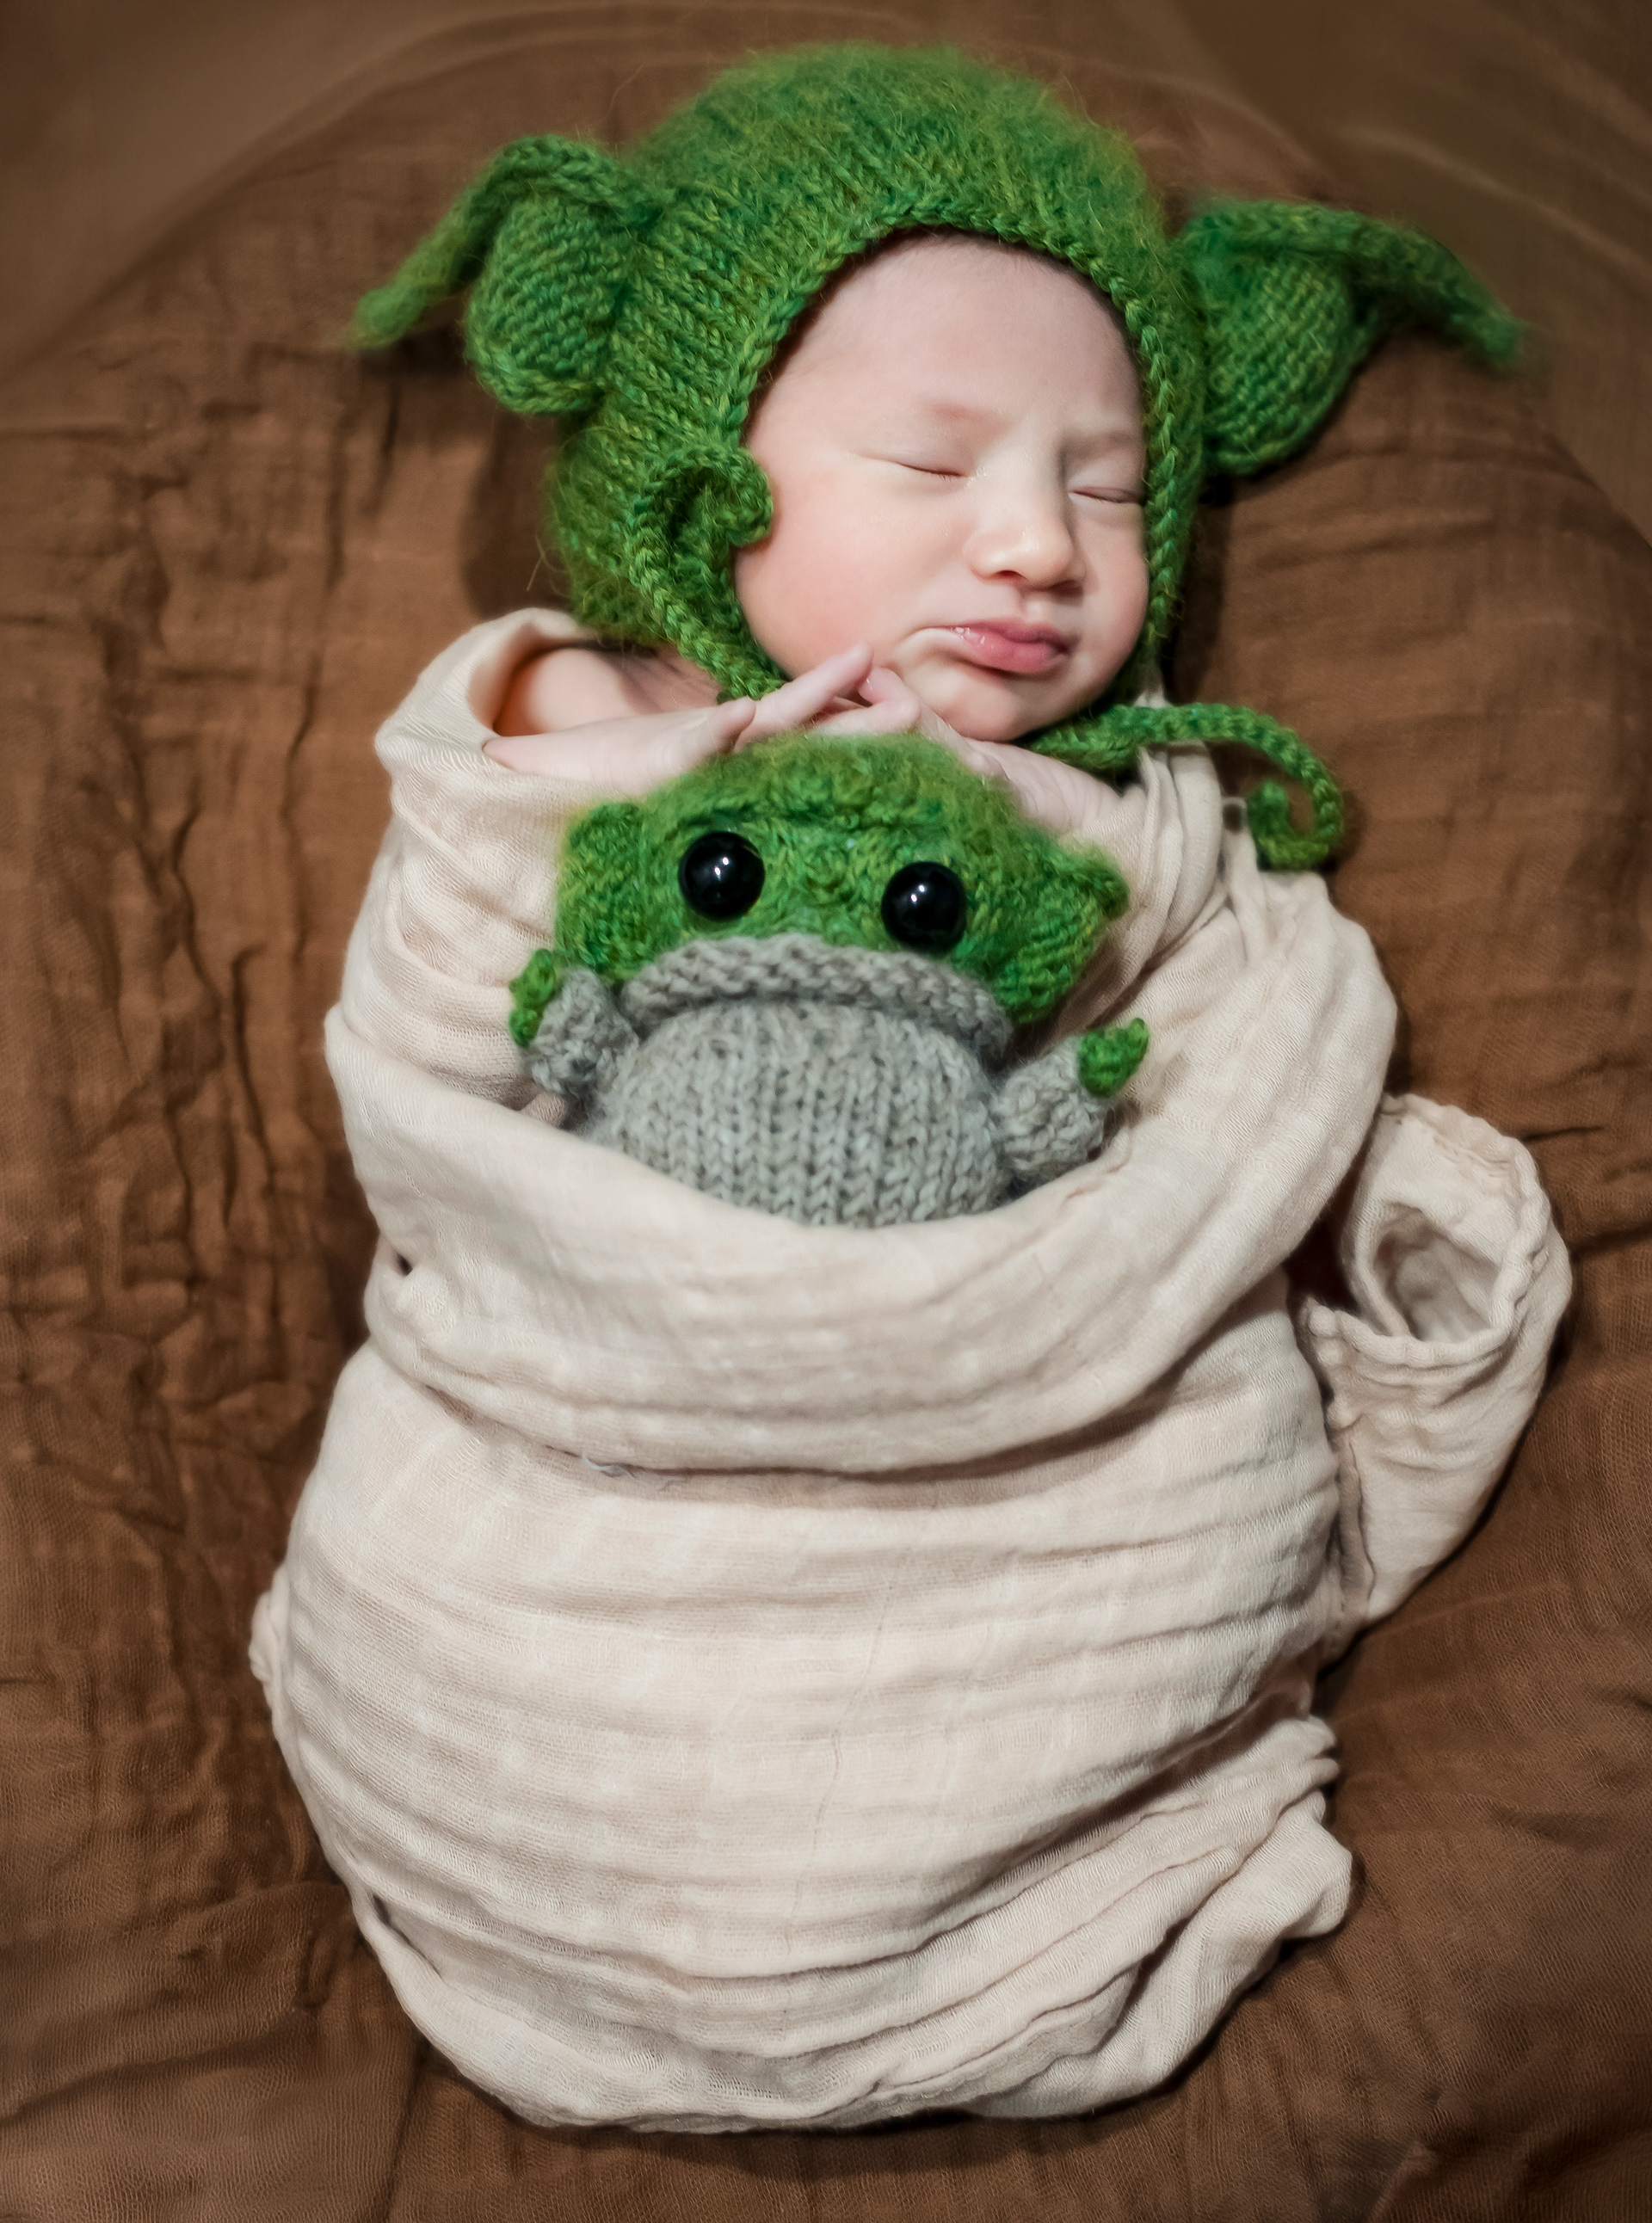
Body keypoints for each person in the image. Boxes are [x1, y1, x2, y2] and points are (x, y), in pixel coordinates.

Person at [250, 44, 1570, 2133]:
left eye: (1109, 484)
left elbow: (1228, 1102)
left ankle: (989, 1857)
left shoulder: (1133, 816)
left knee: (1203, 1464)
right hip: (599, 1458)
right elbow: (426, 1075)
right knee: (471, 1594)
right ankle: (566, 1827)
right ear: (698, 469)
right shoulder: (584, 740)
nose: (1038, 544)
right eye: (932, 463)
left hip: (1015, 1479)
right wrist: (562, 752)